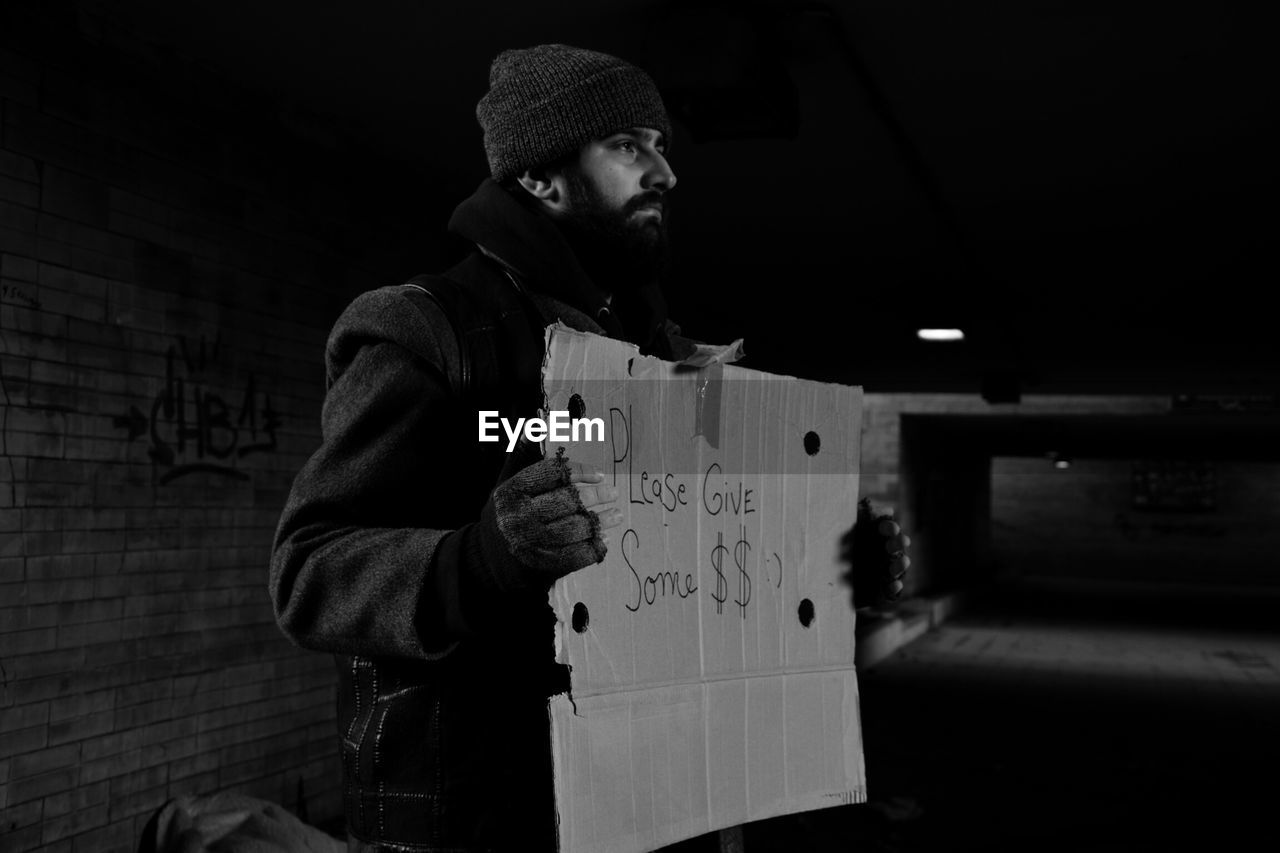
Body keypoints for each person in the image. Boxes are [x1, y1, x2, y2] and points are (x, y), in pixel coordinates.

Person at [270, 44, 906, 853]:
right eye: (628, 146)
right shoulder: (424, 331)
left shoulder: (667, 360)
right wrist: (482, 559)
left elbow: (713, 570)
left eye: (662, 147)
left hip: (659, 803)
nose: (664, 174)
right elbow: (307, 573)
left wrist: (840, 568)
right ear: (540, 175)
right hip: (483, 820)